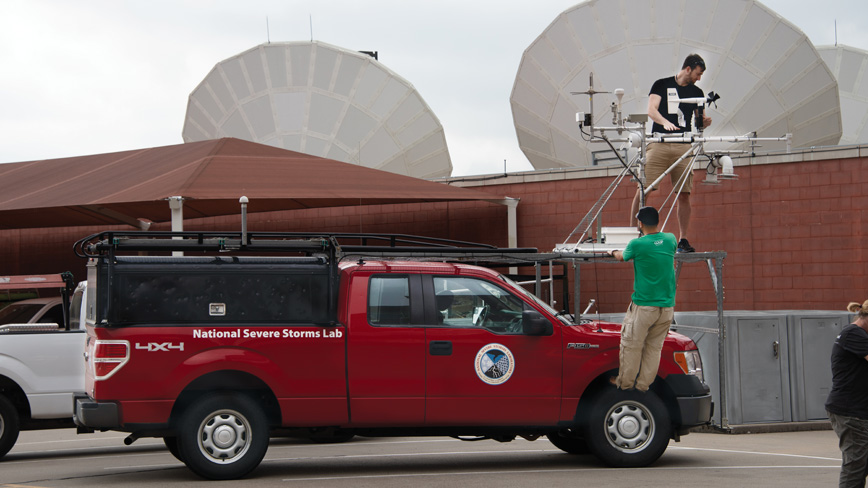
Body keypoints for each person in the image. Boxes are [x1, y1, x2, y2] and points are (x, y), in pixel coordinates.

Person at [630, 53, 713, 254]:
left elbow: (697, 120)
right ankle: (633, 235)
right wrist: (665, 122)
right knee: (644, 189)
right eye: (698, 73)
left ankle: (683, 240)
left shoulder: (697, 92)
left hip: (683, 144)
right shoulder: (662, 85)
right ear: (688, 68)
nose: (699, 78)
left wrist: (704, 122)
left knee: (685, 194)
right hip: (659, 141)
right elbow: (651, 109)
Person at [607, 206, 677, 391]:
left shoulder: (636, 244)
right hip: (667, 308)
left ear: (640, 224)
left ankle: (625, 384)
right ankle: (643, 386)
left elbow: (623, 257)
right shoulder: (671, 239)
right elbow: (660, 247)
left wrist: (613, 251)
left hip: (644, 306)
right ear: (657, 222)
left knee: (631, 346)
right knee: (653, 349)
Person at [826, 300, 868, 488]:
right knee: (855, 465)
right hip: (850, 412)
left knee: (862, 463)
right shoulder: (853, 334)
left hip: (858, 410)